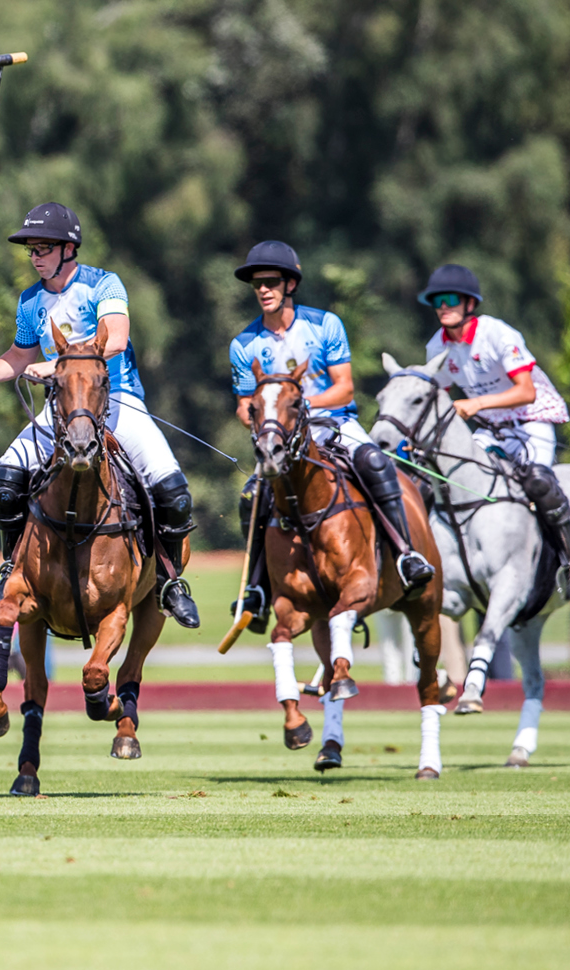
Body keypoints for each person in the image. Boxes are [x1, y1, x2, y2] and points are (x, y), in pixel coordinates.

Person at [0, 202, 200, 628]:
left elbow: (115, 339)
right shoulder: (30, 301)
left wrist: (54, 366)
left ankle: (169, 581)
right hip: (63, 411)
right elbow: (19, 356)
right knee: (6, 481)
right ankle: (11, 566)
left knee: (174, 493)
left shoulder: (104, 284)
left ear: (69, 248)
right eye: (31, 249)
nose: (35, 257)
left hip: (117, 402)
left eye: (43, 248)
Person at [230, 240, 436, 632]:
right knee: (251, 495)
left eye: (271, 282)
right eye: (257, 284)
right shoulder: (244, 344)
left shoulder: (325, 324)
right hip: (281, 436)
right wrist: (257, 417)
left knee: (376, 463)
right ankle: (257, 589)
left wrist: (299, 406)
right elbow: (244, 404)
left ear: (291, 284)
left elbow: (344, 388)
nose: (263, 289)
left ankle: (406, 555)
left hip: (334, 423)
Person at [418, 263, 570, 704]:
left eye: (450, 300)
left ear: (469, 304)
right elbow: (432, 396)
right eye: (437, 301)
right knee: (452, 483)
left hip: (531, 421)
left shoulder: (498, 334)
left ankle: (563, 556)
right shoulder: (438, 347)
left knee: (539, 483)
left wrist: (476, 403)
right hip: (488, 430)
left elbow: (525, 391)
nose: (443, 307)